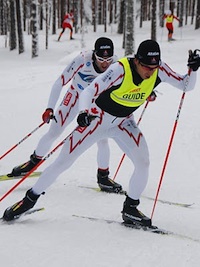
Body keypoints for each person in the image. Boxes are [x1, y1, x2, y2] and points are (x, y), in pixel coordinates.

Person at [3, 40, 200, 225]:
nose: (150, 72)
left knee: (143, 162)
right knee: (63, 162)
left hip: (123, 122)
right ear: (137, 60)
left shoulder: (159, 69)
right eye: (147, 67)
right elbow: (89, 90)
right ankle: (28, 200)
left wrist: (193, 68)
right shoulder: (119, 69)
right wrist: (83, 112)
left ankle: (130, 209)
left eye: (154, 67)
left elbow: (186, 86)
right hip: (97, 120)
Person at [8, 37, 123, 194]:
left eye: (108, 59)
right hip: (74, 97)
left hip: (94, 103)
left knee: (102, 140)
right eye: (101, 59)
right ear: (94, 54)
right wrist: (49, 108)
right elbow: (59, 82)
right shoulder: (82, 59)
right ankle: (32, 163)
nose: (105, 63)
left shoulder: (117, 64)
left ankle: (103, 177)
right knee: (54, 131)